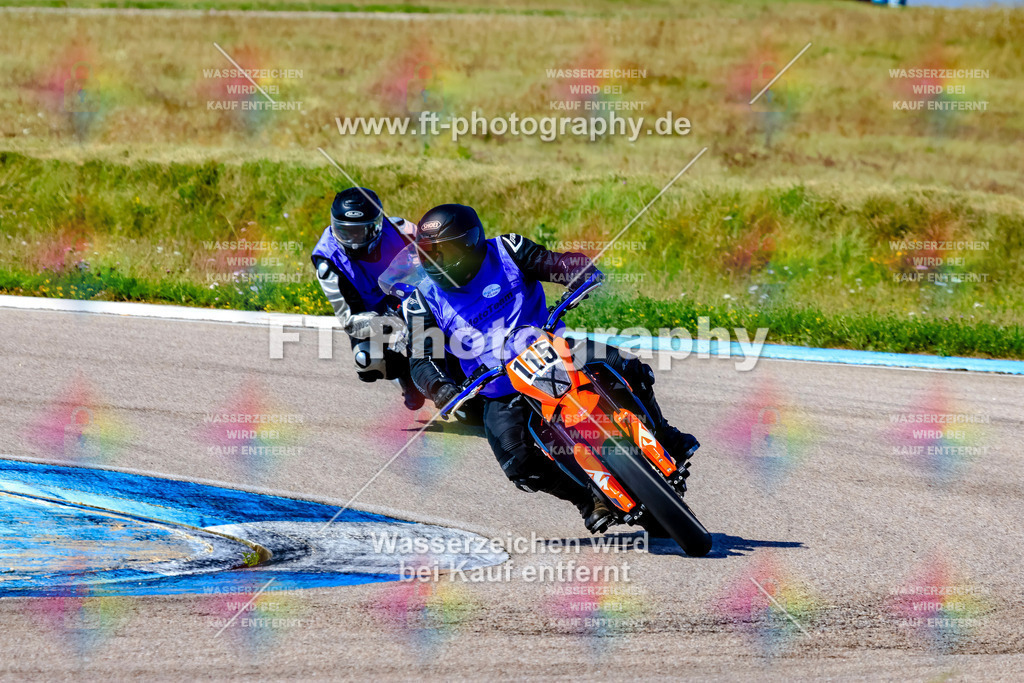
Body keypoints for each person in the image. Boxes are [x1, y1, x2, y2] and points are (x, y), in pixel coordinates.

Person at [403, 203, 699, 533]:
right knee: (518, 464)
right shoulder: (421, 302)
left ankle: (662, 433)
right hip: (500, 387)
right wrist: (439, 387)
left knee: (626, 365)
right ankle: (588, 499)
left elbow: (554, 263)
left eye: (443, 252)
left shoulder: (507, 250)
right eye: (427, 253)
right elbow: (421, 358)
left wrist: (579, 272)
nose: (435, 262)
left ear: (470, 242)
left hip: (554, 351)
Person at [311, 187, 424, 410]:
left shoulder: (400, 229)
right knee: (366, 360)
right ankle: (406, 373)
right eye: (345, 231)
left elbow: (437, 256)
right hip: (370, 313)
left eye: (362, 231)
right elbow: (349, 320)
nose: (354, 240)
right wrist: (388, 326)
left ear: (378, 225)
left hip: (411, 294)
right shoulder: (326, 262)